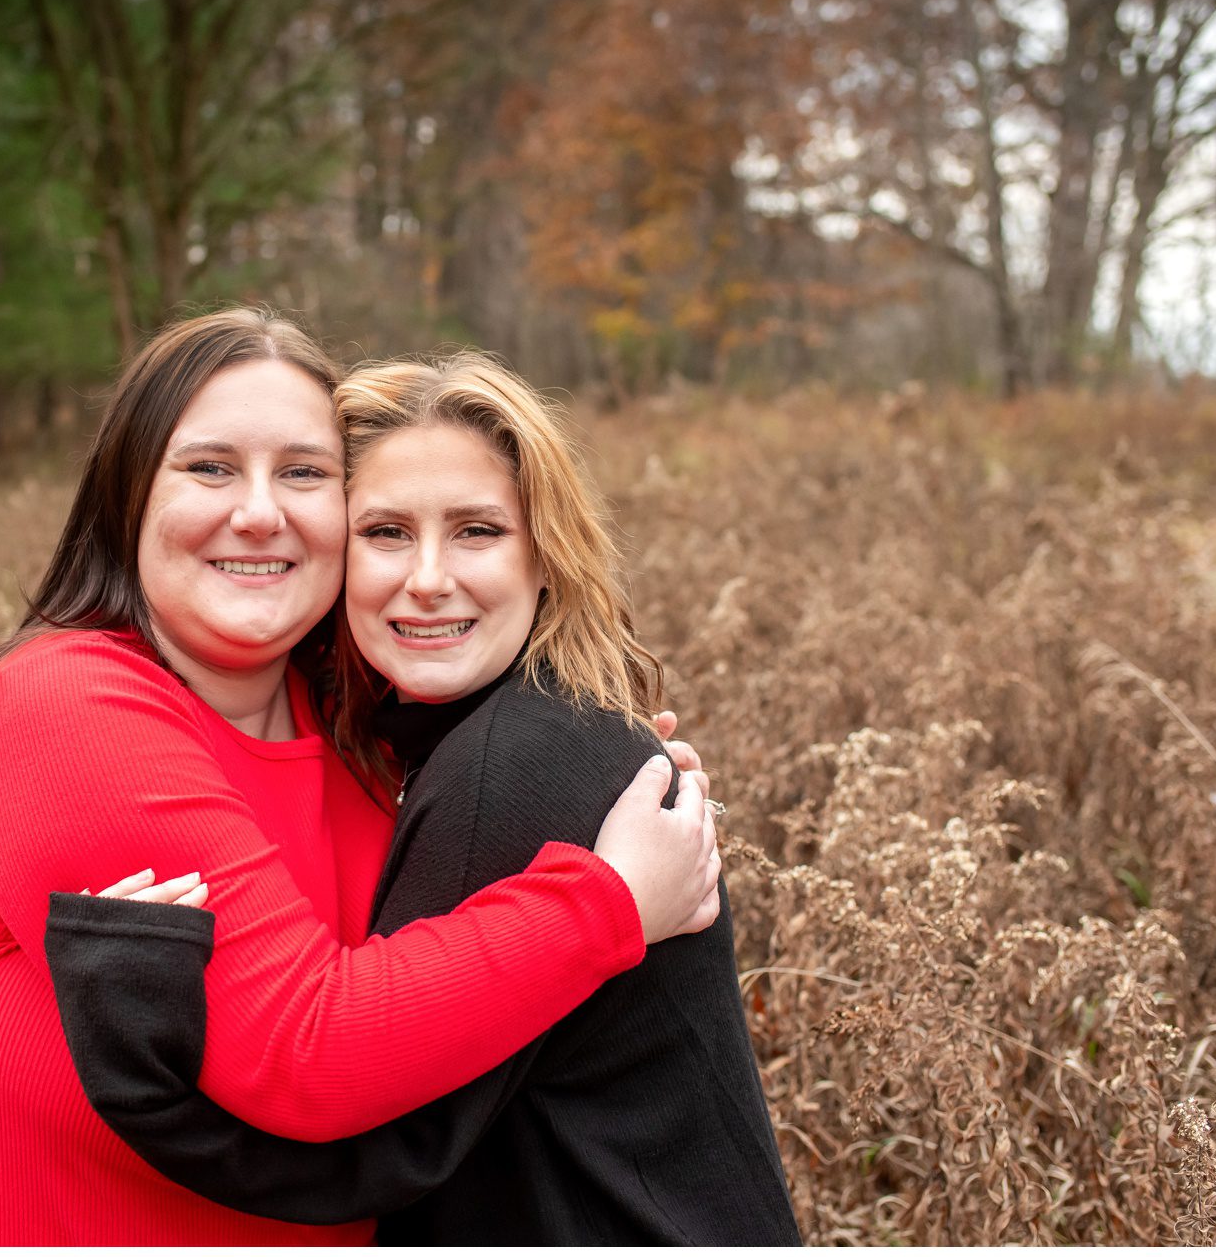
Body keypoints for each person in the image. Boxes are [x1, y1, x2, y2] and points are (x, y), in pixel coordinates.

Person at [0, 311, 723, 1245]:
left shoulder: (367, 746)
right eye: (210, 467)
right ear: (129, 494)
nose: (261, 512)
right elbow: (303, 1053)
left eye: (304, 473)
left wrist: (590, 770)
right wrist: (612, 902)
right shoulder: (58, 707)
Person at [45, 353, 800, 1244]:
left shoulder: (511, 762)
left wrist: (130, 1029)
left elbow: (359, 1150)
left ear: (548, 556)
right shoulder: (528, 729)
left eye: (478, 531)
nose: (429, 577)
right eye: (387, 533)